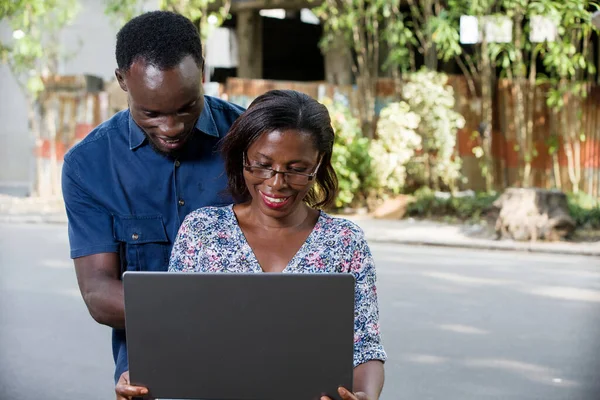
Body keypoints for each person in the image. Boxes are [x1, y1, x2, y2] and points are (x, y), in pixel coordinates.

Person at [115, 90, 387, 400]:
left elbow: (365, 347)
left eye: (297, 169)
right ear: (242, 156)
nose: (276, 183)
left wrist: (365, 395)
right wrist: (137, 382)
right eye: (262, 164)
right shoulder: (201, 232)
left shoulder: (345, 242)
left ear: (319, 162)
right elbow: (173, 342)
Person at [61, 10, 244, 385]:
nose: (173, 127)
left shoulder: (251, 142)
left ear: (203, 73)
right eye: (152, 113)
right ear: (122, 81)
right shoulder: (88, 166)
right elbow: (97, 291)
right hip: (152, 375)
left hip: (252, 363)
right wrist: (209, 310)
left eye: (187, 107)